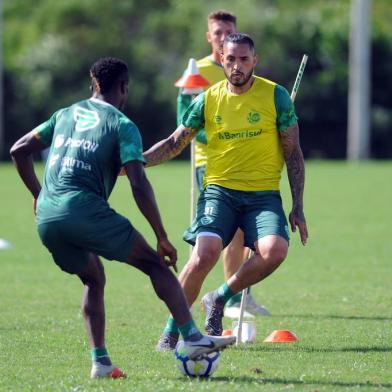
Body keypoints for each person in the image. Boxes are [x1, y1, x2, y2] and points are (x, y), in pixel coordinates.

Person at [9, 57, 235, 379]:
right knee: (156, 264)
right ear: (124, 88)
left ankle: (100, 363)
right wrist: (161, 235)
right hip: (83, 209)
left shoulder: (64, 114)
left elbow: (19, 149)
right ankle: (193, 338)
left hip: (47, 218)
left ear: (93, 84)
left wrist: (38, 194)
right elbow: (138, 183)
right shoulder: (122, 124)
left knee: (93, 278)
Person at [144, 33, 308, 349]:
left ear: (254, 60)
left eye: (244, 59)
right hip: (219, 192)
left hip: (263, 195)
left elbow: (293, 152)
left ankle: (219, 298)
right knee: (203, 255)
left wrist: (297, 205)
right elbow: (174, 142)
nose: (236, 65)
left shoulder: (276, 96)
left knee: (275, 251)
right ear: (221, 59)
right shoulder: (208, 99)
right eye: (230, 59)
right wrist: (137, 162)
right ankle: (172, 330)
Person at [177, 10, 269, 318]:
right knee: (232, 235)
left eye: (226, 32)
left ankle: (238, 292)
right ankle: (229, 299)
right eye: (216, 33)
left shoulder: (243, 65)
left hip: (247, 162)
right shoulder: (198, 71)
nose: (220, 38)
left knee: (246, 234)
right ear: (209, 37)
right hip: (210, 162)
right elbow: (185, 119)